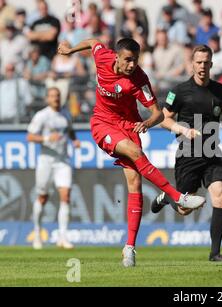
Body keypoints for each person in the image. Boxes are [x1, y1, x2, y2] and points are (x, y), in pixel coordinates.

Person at [57, 37, 206, 267]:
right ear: (116, 57)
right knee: (134, 151)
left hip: (130, 126)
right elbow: (94, 41)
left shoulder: (139, 80)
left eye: (135, 60)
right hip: (103, 123)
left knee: (134, 184)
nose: (131, 65)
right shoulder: (102, 57)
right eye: (127, 60)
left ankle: (129, 248)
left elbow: (157, 113)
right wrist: (70, 50)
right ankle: (177, 196)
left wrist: (147, 123)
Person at [151, 45, 222, 262]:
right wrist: (183, 129)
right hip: (188, 154)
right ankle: (167, 197)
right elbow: (162, 119)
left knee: (220, 196)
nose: (202, 66)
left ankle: (215, 253)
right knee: (184, 209)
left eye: (206, 62)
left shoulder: (221, 91)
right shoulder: (178, 92)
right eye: (198, 62)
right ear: (192, 64)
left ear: (211, 64)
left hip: (213, 152)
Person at [27, 87, 80, 250]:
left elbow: (69, 131)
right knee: (42, 197)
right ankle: (37, 233)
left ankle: (62, 237)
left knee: (66, 195)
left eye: (57, 96)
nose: (55, 98)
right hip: (46, 160)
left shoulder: (66, 114)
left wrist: (74, 140)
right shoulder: (42, 115)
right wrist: (47, 138)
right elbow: (29, 136)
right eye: (52, 96)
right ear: (47, 98)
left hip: (62, 160)